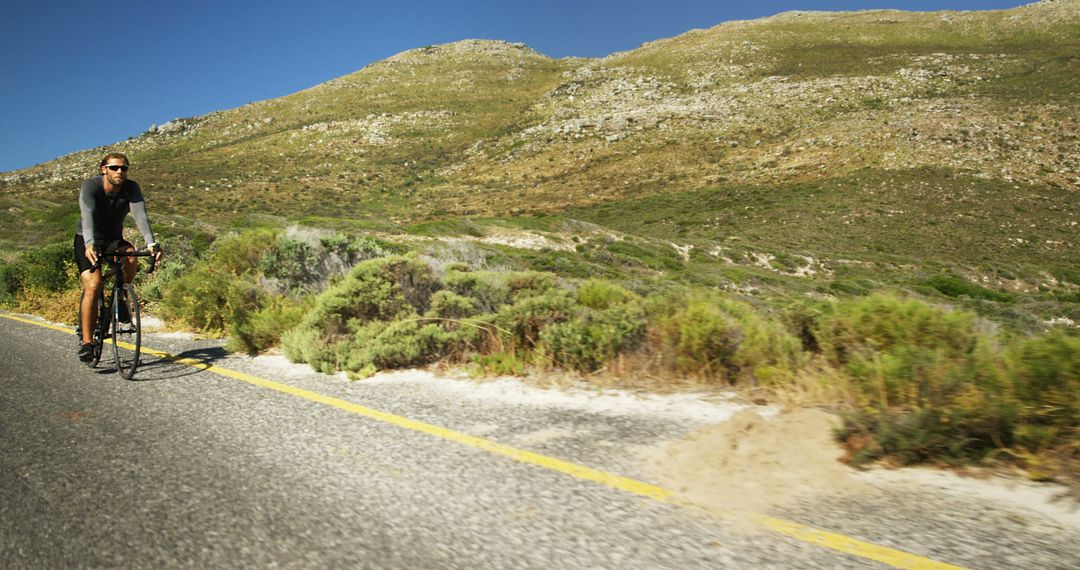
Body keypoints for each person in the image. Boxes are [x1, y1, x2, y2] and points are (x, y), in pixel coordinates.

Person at [75, 152, 163, 362]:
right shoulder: (91, 186)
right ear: (103, 169)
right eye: (114, 168)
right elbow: (87, 215)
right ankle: (87, 343)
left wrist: (151, 243)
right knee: (94, 285)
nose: (120, 172)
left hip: (114, 239)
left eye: (124, 168)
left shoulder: (131, 188)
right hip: (87, 239)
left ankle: (121, 296)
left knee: (131, 256)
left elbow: (140, 216)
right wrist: (89, 244)